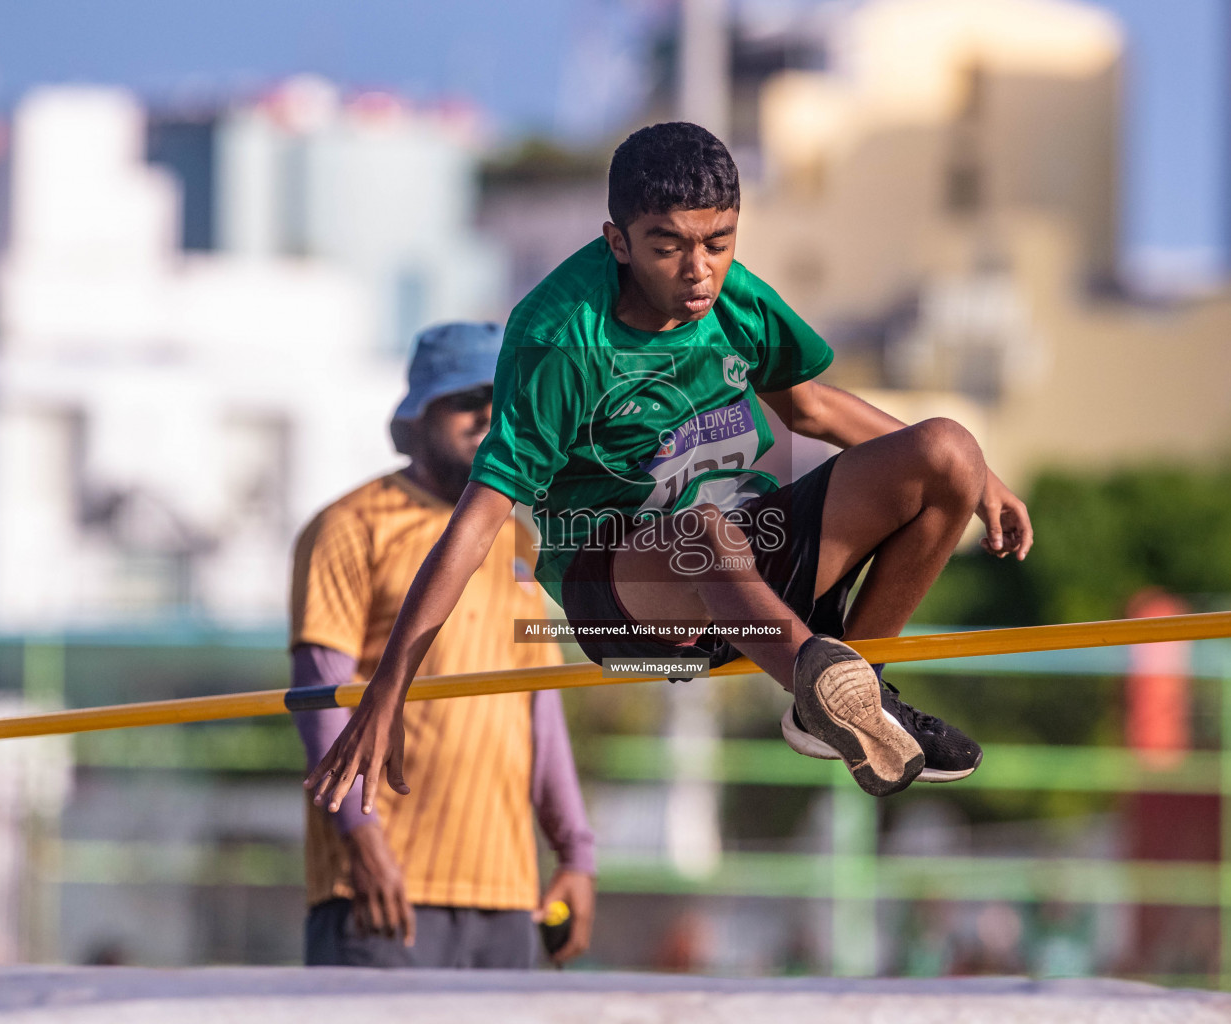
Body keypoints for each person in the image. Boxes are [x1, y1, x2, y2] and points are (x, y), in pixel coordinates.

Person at [309, 122, 1033, 813]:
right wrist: (389, 687)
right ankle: (821, 679)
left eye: (719, 243)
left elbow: (811, 409)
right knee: (702, 530)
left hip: (751, 578)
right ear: (618, 241)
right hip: (626, 598)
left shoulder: (733, 296)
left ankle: (848, 695)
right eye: (670, 248)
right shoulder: (561, 336)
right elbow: (476, 524)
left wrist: (974, 478)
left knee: (945, 447)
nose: (699, 271)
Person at [290, 321, 596, 968]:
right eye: (465, 398)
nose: (487, 413)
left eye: (501, 398)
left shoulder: (518, 542)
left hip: (506, 891)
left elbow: (541, 708)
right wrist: (362, 840)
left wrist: (575, 853)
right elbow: (321, 697)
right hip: (382, 887)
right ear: (418, 415)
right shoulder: (349, 526)